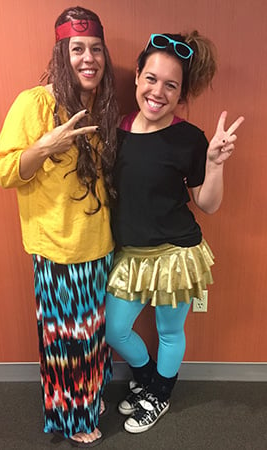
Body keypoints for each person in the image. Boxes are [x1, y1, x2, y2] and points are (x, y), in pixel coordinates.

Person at [0, 6, 118, 447]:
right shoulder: (35, 102)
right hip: (57, 248)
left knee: (93, 336)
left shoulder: (104, 106)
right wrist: (45, 146)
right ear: (62, 53)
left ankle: (91, 395)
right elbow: (4, 170)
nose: (89, 58)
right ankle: (74, 418)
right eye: (77, 49)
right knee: (67, 343)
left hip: (100, 245)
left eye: (96, 49)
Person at [105, 31, 244, 434]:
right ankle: (149, 378)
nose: (158, 92)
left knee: (169, 331)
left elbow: (208, 204)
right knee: (114, 329)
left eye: (171, 85)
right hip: (130, 254)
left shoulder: (190, 138)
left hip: (175, 253)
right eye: (151, 78)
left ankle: (161, 395)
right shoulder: (117, 129)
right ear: (136, 76)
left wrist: (215, 163)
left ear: (181, 93)